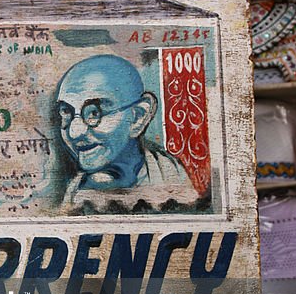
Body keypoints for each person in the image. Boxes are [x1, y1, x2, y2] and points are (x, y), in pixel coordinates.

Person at [56, 54, 197, 213]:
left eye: (95, 113)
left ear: (138, 117)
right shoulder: (73, 195)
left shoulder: (176, 187)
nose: (74, 133)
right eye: (66, 112)